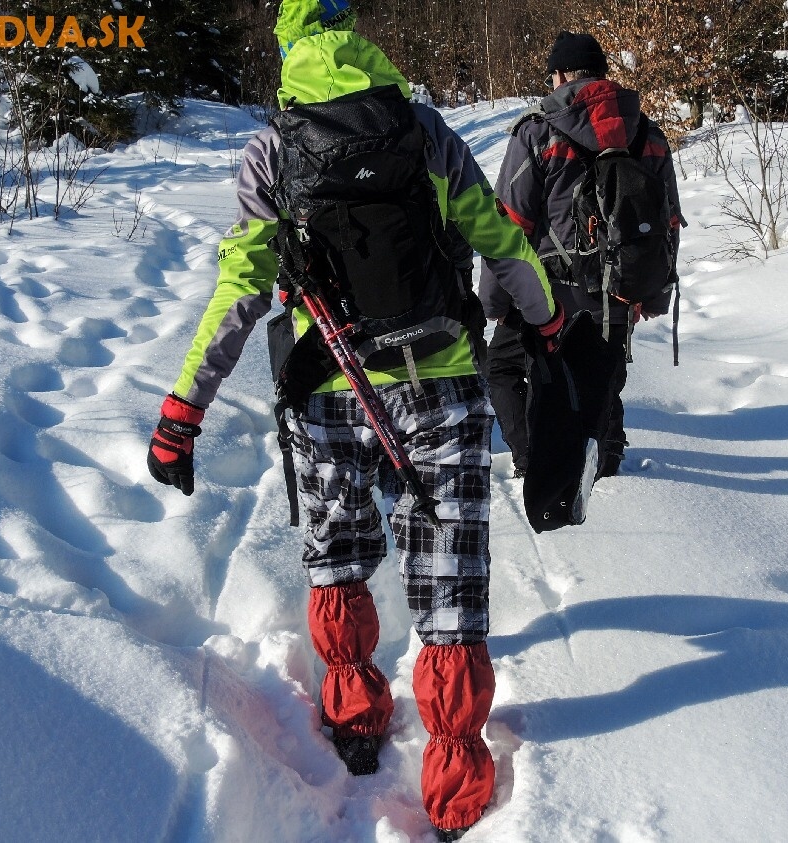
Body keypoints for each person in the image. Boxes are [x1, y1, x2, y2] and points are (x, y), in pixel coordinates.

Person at [144, 2, 560, 839]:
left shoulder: (272, 150)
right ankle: (454, 787)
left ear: (289, 48)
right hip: (439, 380)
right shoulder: (424, 129)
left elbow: (239, 291)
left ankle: (356, 717)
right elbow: (497, 238)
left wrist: (182, 410)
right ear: (355, 33)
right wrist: (542, 315)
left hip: (328, 385)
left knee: (336, 556)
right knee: (451, 583)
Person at [481, 31, 683, 479]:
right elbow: (667, 222)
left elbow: (507, 226)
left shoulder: (538, 132)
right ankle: (605, 461)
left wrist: (494, 302)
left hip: (548, 290)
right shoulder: (648, 134)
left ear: (561, 75)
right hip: (618, 287)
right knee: (604, 371)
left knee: (502, 367)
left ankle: (535, 463)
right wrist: (652, 293)